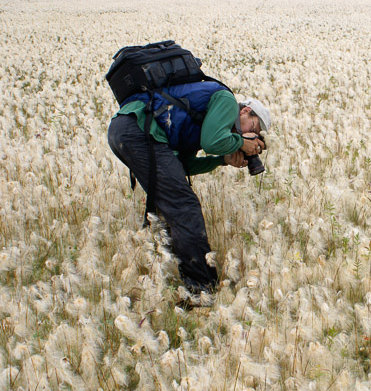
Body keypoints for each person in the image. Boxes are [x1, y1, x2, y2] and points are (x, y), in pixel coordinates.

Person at [107, 81, 271, 296]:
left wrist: (223, 160)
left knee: (169, 203)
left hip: (127, 129)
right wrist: (240, 142)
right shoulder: (227, 101)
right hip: (138, 129)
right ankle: (201, 290)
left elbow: (182, 166)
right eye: (254, 128)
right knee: (184, 206)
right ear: (245, 111)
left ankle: (157, 268)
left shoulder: (204, 120)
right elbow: (212, 143)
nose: (252, 135)